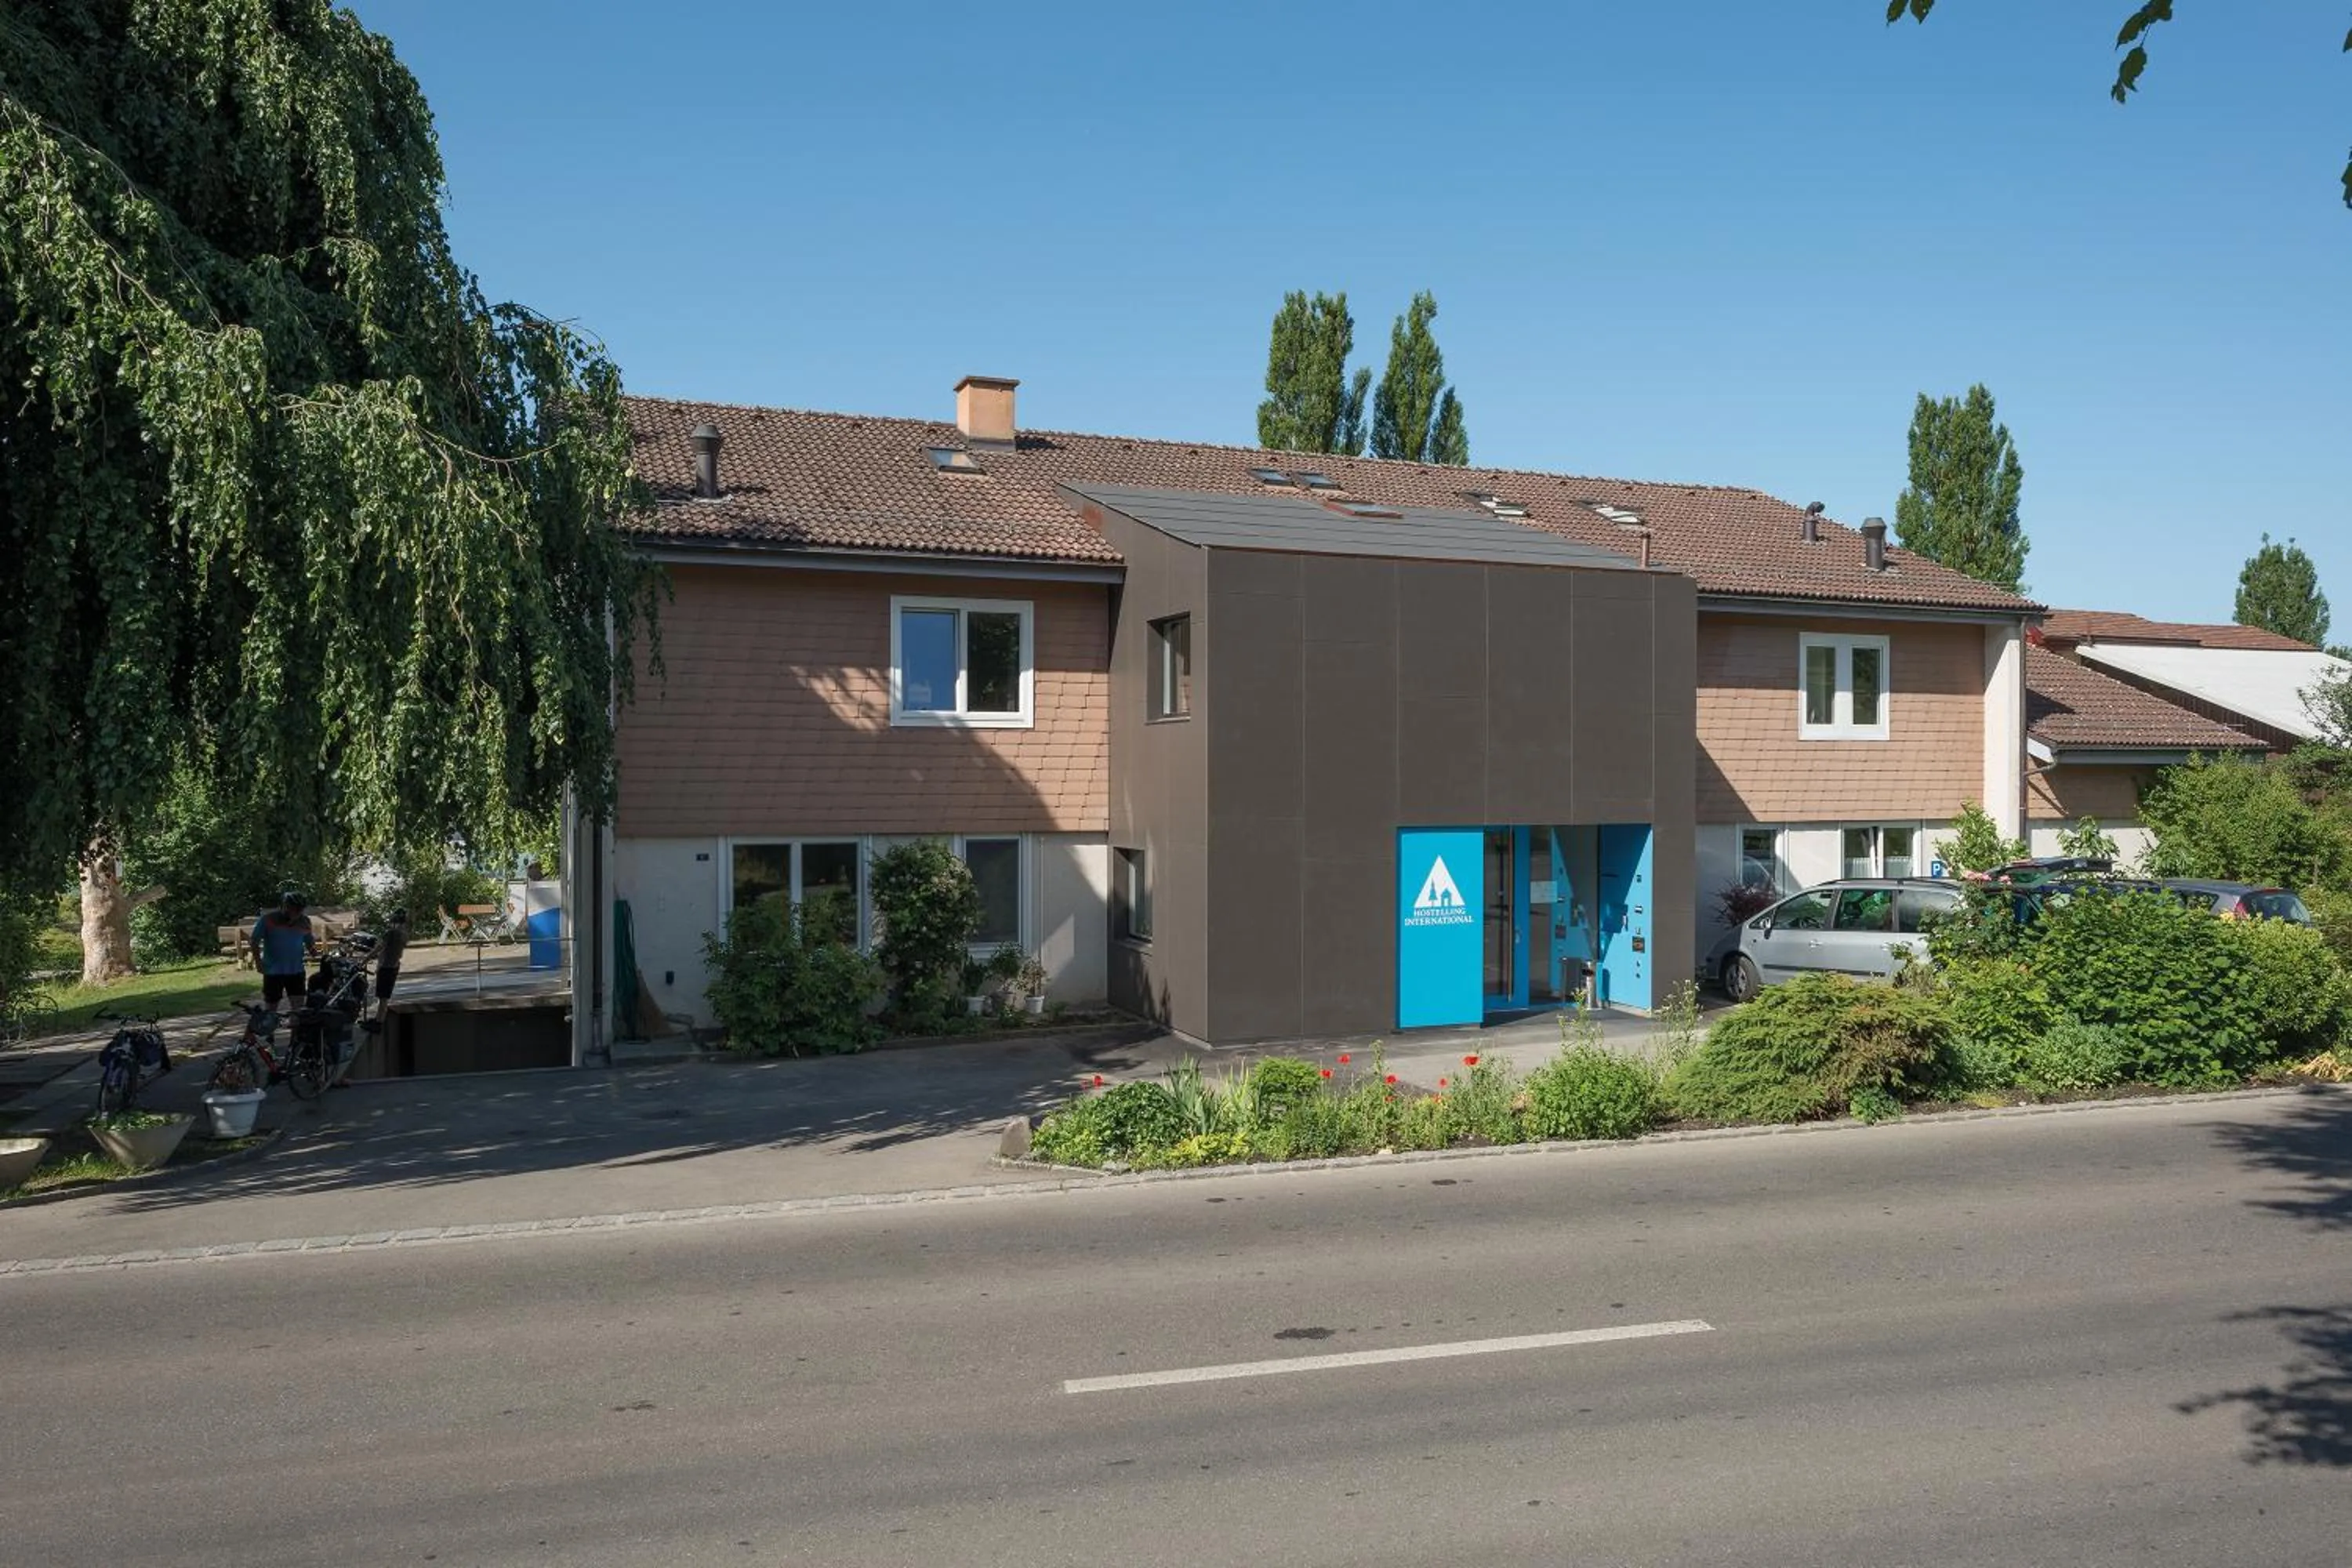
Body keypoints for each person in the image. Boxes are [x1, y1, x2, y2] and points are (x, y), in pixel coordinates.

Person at [249, 891, 316, 1012]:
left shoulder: (305, 921)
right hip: (273, 971)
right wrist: (258, 963)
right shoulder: (268, 920)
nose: (296, 912)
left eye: (299, 909)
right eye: (292, 908)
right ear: (285, 906)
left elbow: (308, 939)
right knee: (271, 1009)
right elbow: (254, 941)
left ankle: (296, 1029)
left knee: (298, 1010)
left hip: (296, 970)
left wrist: (312, 950)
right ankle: (268, 1029)